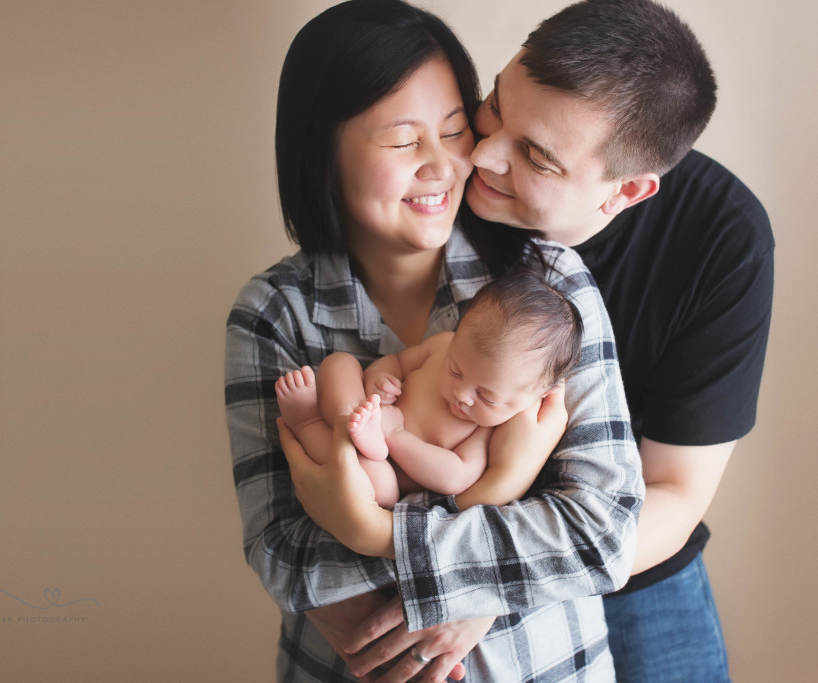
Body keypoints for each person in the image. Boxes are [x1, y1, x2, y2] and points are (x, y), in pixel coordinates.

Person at [225, 1, 642, 680]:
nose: (443, 165)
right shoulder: (275, 312)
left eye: (454, 131)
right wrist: (494, 552)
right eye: (401, 140)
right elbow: (285, 558)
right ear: (321, 152)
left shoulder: (547, 284)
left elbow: (602, 535)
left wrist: (373, 532)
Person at [456, 0, 774, 679]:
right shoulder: (447, 171)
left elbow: (676, 491)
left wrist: (504, 579)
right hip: (448, 527)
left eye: (535, 156)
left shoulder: (724, 238)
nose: (482, 154)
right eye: (495, 104)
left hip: (630, 564)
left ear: (627, 190)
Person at [275, 267, 583, 509]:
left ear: (539, 395)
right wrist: (380, 379)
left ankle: (307, 422)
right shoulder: (443, 347)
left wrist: (395, 435)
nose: (462, 394)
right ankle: (347, 421)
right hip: (363, 409)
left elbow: (455, 476)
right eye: (455, 370)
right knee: (340, 363)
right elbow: (396, 361)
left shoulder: (485, 431)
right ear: (458, 334)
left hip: (383, 464)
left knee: (376, 487)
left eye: (486, 396)